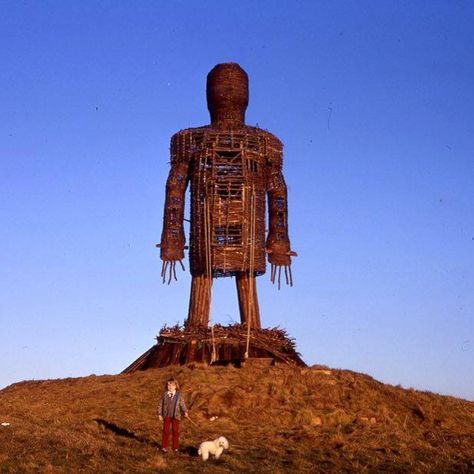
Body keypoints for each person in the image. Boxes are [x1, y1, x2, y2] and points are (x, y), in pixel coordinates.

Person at [157, 377, 189, 452]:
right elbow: (160, 405)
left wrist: (185, 411)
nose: (170, 387)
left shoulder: (179, 395)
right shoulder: (164, 395)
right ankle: (164, 447)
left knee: (175, 431)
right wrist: (159, 414)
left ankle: (176, 447)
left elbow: (182, 404)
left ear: (175, 386)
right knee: (165, 431)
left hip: (176, 416)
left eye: (171, 385)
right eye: (168, 385)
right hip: (166, 415)